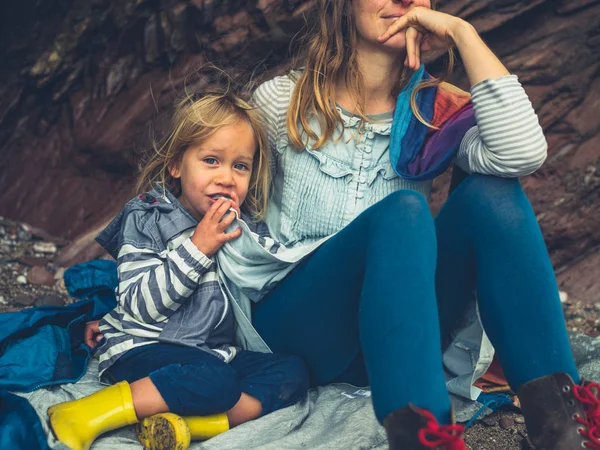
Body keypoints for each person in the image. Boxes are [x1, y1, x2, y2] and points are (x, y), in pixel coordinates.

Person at [210, 1, 600, 450]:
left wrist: (463, 34)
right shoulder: (282, 100)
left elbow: (523, 154)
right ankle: (426, 439)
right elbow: (210, 187)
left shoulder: (436, 111)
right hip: (299, 333)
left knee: (493, 195)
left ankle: (562, 430)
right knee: (404, 213)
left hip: (400, 336)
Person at [47, 89, 309, 450]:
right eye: (212, 161)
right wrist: (199, 246)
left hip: (207, 353)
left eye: (240, 166)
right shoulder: (149, 216)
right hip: (142, 347)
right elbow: (138, 305)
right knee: (215, 381)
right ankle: (86, 413)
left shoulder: (241, 223)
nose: (227, 178)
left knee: (291, 372)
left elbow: (266, 275)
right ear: (175, 165)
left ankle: (188, 425)